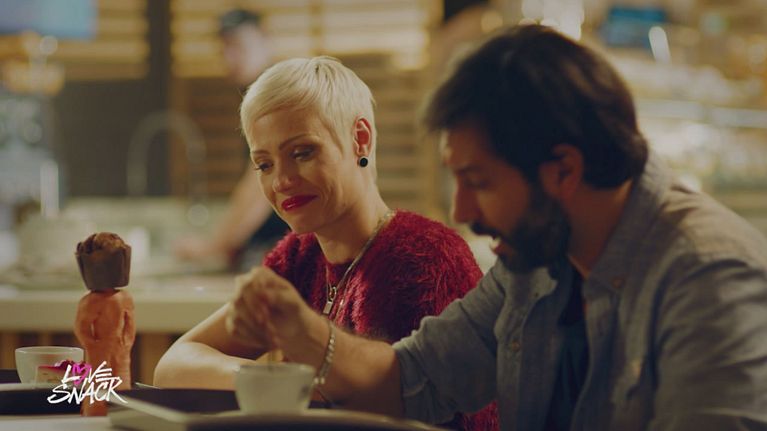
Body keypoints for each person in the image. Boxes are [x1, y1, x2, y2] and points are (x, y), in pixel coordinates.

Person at [223, 25, 767, 430]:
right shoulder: (539, 261)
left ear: (563, 170)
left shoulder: (707, 277)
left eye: (477, 181)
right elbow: (413, 380)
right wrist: (306, 333)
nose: (461, 210)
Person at [155, 56, 498, 430]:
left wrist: (302, 390)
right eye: (264, 164)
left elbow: (446, 415)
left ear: (360, 139)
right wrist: (279, 384)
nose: (281, 180)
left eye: (302, 152)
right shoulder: (297, 257)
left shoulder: (427, 257)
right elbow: (173, 364)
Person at [174, 8, 288, 270]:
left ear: (265, 40)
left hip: (284, 246)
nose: (229, 57)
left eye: (238, 46)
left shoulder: (275, 94)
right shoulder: (258, 94)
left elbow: (261, 186)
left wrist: (215, 245)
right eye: (224, 48)